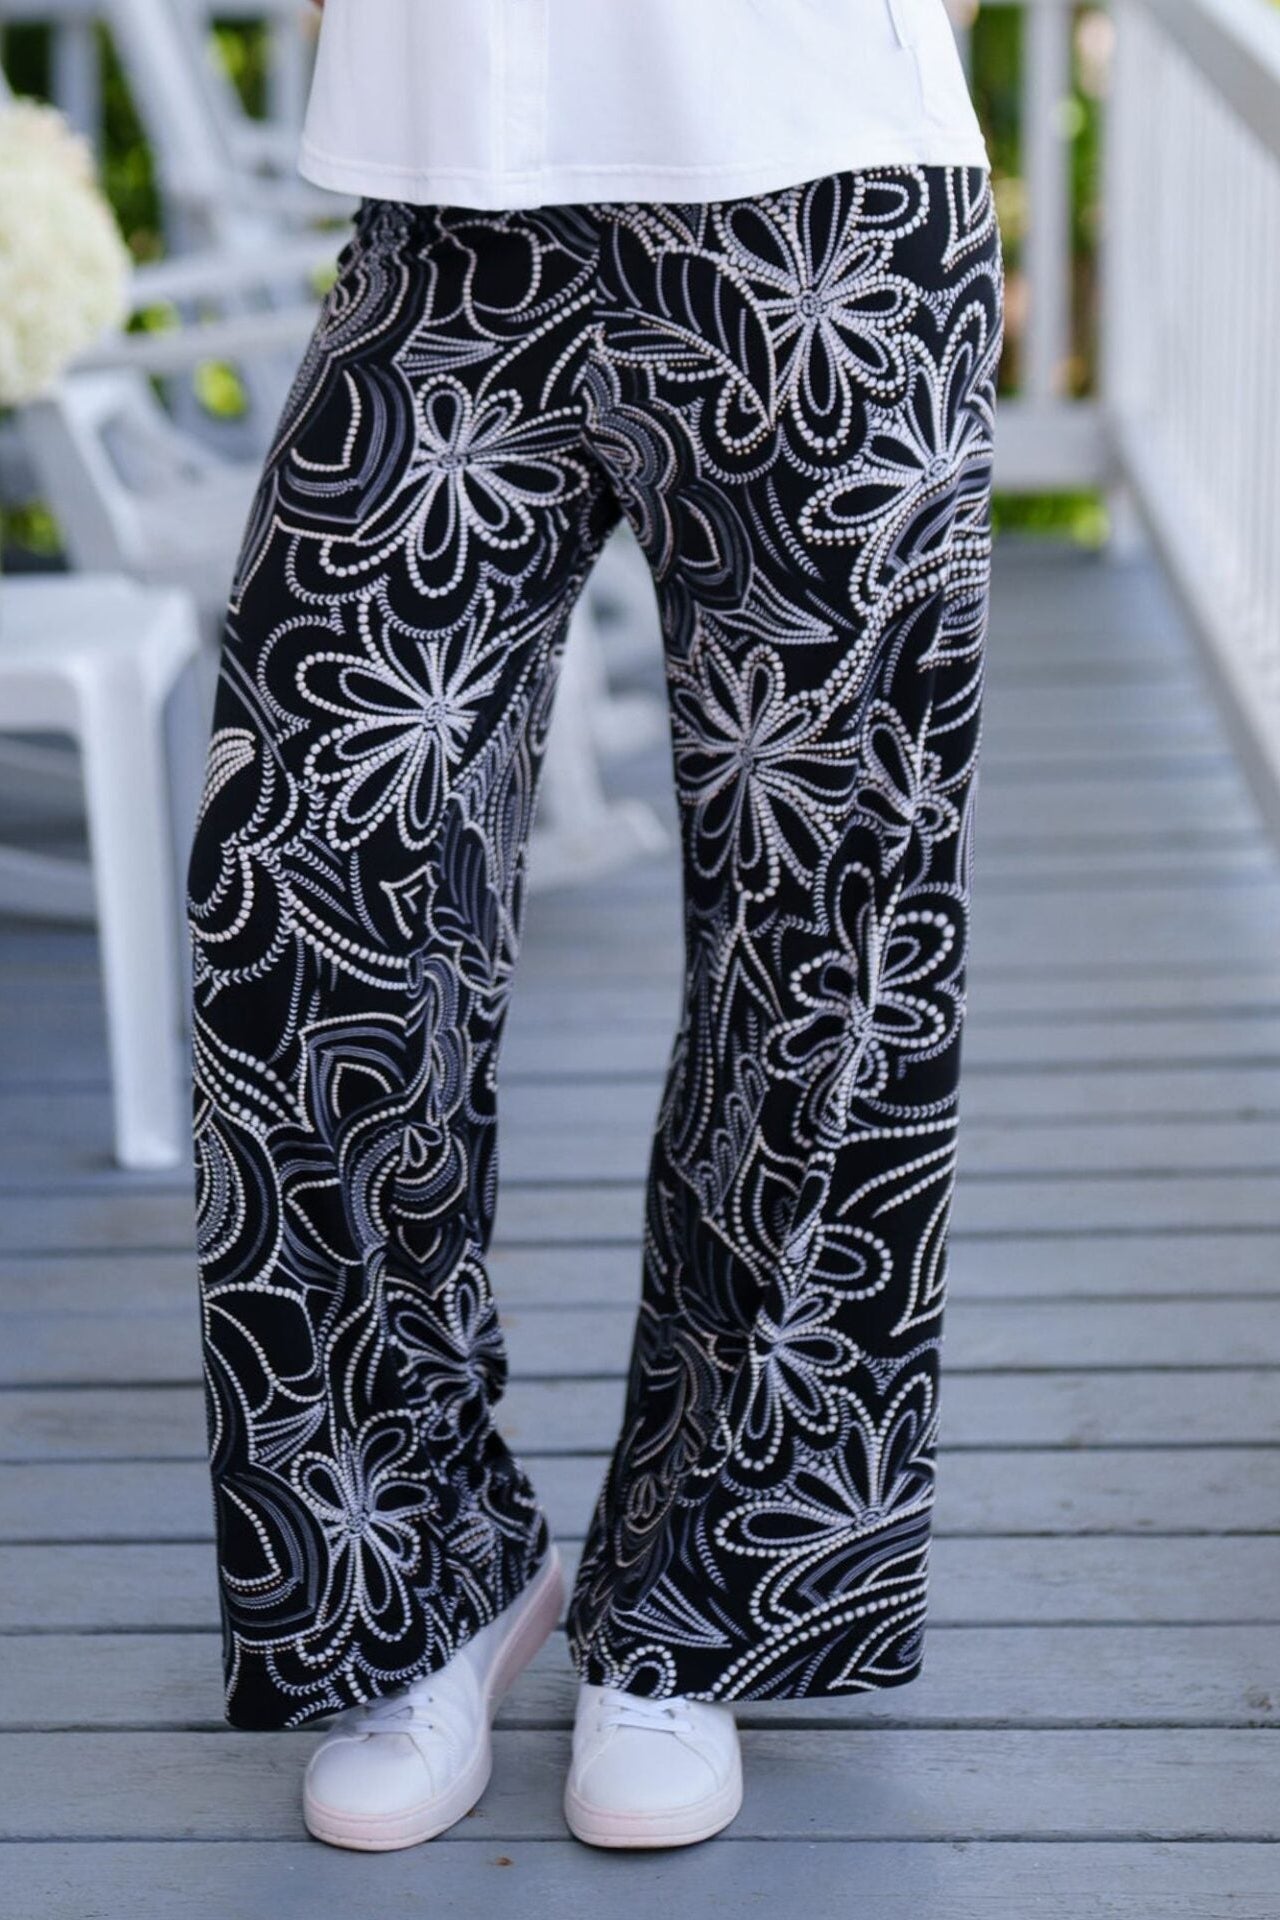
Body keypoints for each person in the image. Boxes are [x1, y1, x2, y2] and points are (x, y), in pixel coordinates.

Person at [185, 0, 1004, 1854]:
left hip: (827, 202)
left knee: (828, 942)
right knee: (307, 876)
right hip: (443, 215)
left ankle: (690, 1607)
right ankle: (425, 1572)